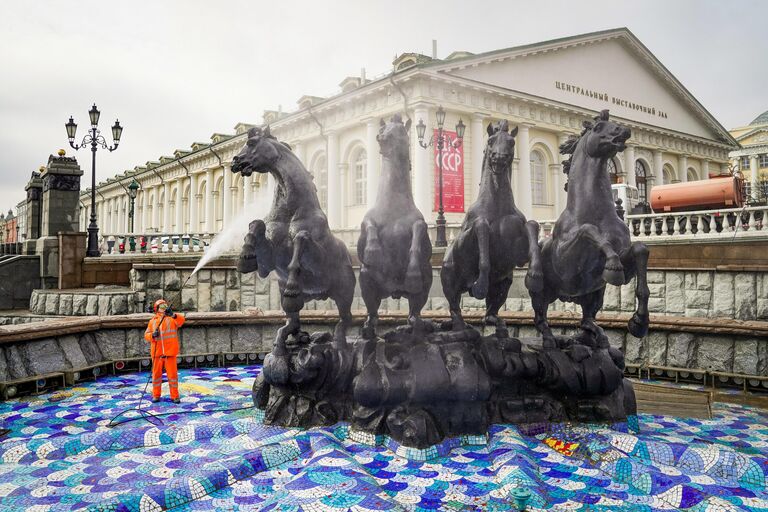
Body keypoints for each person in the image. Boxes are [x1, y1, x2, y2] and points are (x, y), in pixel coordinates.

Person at [143, 299, 185, 403]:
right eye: (161, 306)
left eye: (165, 306)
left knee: (172, 376)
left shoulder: (171, 319)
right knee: (156, 376)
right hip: (157, 354)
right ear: (157, 309)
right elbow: (146, 335)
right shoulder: (152, 321)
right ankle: (156, 395)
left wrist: (173, 315)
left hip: (170, 353)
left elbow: (181, 321)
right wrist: (152, 335)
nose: (164, 307)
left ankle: (175, 396)